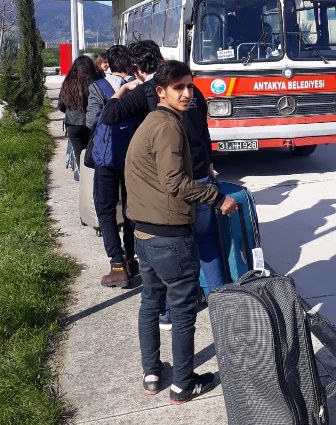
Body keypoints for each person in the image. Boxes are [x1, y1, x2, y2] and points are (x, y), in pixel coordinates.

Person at [124, 60, 236, 404]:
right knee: (183, 309)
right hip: (168, 235)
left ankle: (152, 374)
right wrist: (216, 197)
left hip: (143, 233)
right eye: (179, 88)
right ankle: (183, 384)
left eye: (190, 86)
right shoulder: (168, 127)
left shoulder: (152, 121)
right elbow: (175, 182)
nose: (187, 94)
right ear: (161, 91)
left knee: (150, 302)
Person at [102, 41, 227, 330]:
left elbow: (109, 116)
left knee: (175, 252)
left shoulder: (147, 91)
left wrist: (123, 89)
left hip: (173, 187)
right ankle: (222, 303)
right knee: (206, 243)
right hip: (202, 175)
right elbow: (204, 131)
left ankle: (170, 311)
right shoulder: (193, 92)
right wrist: (208, 165)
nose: (184, 92)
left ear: (136, 68)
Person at [86, 44, 137, 288]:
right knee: (131, 207)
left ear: (109, 63)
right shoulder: (138, 87)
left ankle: (117, 265)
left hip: (107, 157)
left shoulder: (98, 88)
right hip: (133, 156)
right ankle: (131, 258)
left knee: (105, 209)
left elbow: (91, 121)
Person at [58, 55, 101, 168]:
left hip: (73, 125)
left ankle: (80, 177)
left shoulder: (67, 83)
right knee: (92, 158)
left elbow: (61, 105)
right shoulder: (97, 82)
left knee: (78, 158)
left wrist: (71, 112)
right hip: (92, 125)